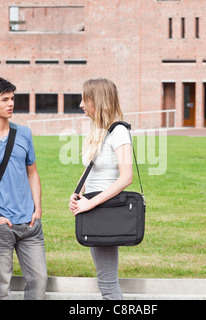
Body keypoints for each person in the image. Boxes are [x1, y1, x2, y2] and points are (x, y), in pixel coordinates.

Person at [0, 77, 47, 300]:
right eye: (5, 99)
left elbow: (32, 173)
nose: (11, 104)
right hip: (0, 225)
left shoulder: (24, 133)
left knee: (39, 280)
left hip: (30, 224)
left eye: (12, 98)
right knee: (1, 285)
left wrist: (38, 209)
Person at [69, 78, 133, 300]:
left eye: (85, 99)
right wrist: (78, 193)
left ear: (98, 100)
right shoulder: (98, 131)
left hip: (106, 211)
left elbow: (126, 178)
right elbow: (91, 169)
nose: (80, 104)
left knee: (107, 283)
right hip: (93, 210)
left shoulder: (119, 132)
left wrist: (91, 202)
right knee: (104, 279)